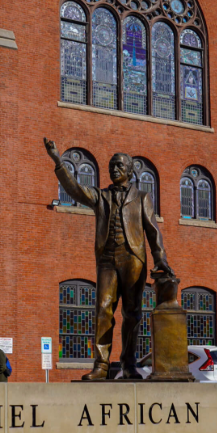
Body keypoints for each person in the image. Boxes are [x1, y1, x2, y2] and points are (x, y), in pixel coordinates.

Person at [44, 138, 171, 380]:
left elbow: (152, 229)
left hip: (133, 257)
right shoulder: (100, 196)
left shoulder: (142, 197)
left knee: (132, 313)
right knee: (102, 309)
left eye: (120, 166)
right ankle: (101, 364)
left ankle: (129, 365)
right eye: (112, 165)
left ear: (130, 172)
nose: (114, 169)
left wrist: (160, 257)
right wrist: (58, 160)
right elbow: (74, 189)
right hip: (107, 260)